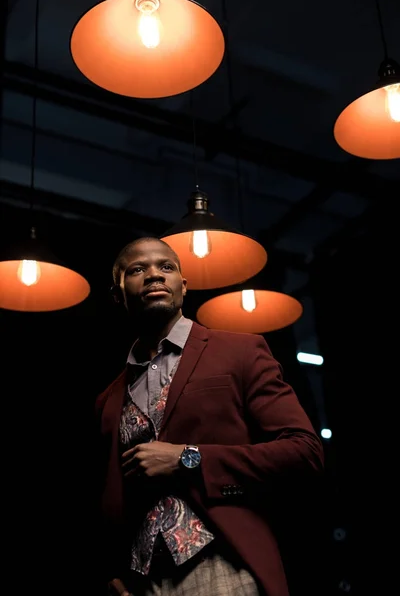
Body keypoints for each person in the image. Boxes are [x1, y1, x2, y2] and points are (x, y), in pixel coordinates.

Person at [93, 236, 324, 596]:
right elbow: (108, 497)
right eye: (138, 269)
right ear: (118, 294)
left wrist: (189, 457)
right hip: (144, 581)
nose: (154, 275)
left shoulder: (240, 351)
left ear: (183, 287)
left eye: (166, 267)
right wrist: (112, 571)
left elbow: (304, 451)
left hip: (222, 565)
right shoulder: (107, 399)